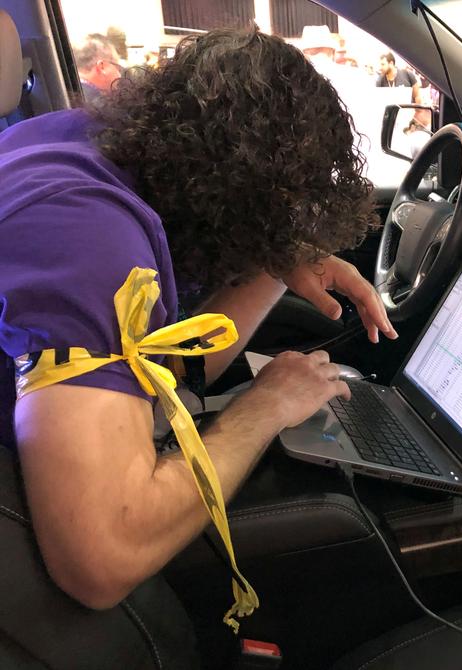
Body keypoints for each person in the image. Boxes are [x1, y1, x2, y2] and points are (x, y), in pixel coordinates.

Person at [0, 26, 396, 612]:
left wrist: (274, 256)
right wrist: (266, 407)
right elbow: (102, 558)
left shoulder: (81, 146)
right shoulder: (89, 241)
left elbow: (161, 374)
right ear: (233, 198)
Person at [73, 33, 124, 102]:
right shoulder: (97, 105)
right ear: (102, 67)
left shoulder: (66, 91)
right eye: (118, 68)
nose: (120, 75)